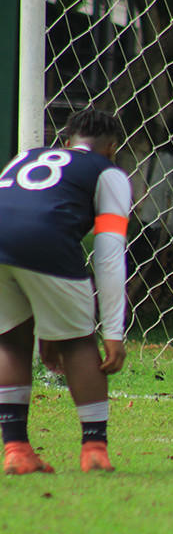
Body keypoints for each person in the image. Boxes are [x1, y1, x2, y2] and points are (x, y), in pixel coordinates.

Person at [0, 108, 131, 474]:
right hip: (48, 244)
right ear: (112, 148)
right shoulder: (108, 172)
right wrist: (113, 333)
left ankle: (16, 450)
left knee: (10, 341)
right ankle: (94, 449)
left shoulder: (26, 157)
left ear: (67, 142)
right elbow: (108, 254)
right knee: (78, 344)